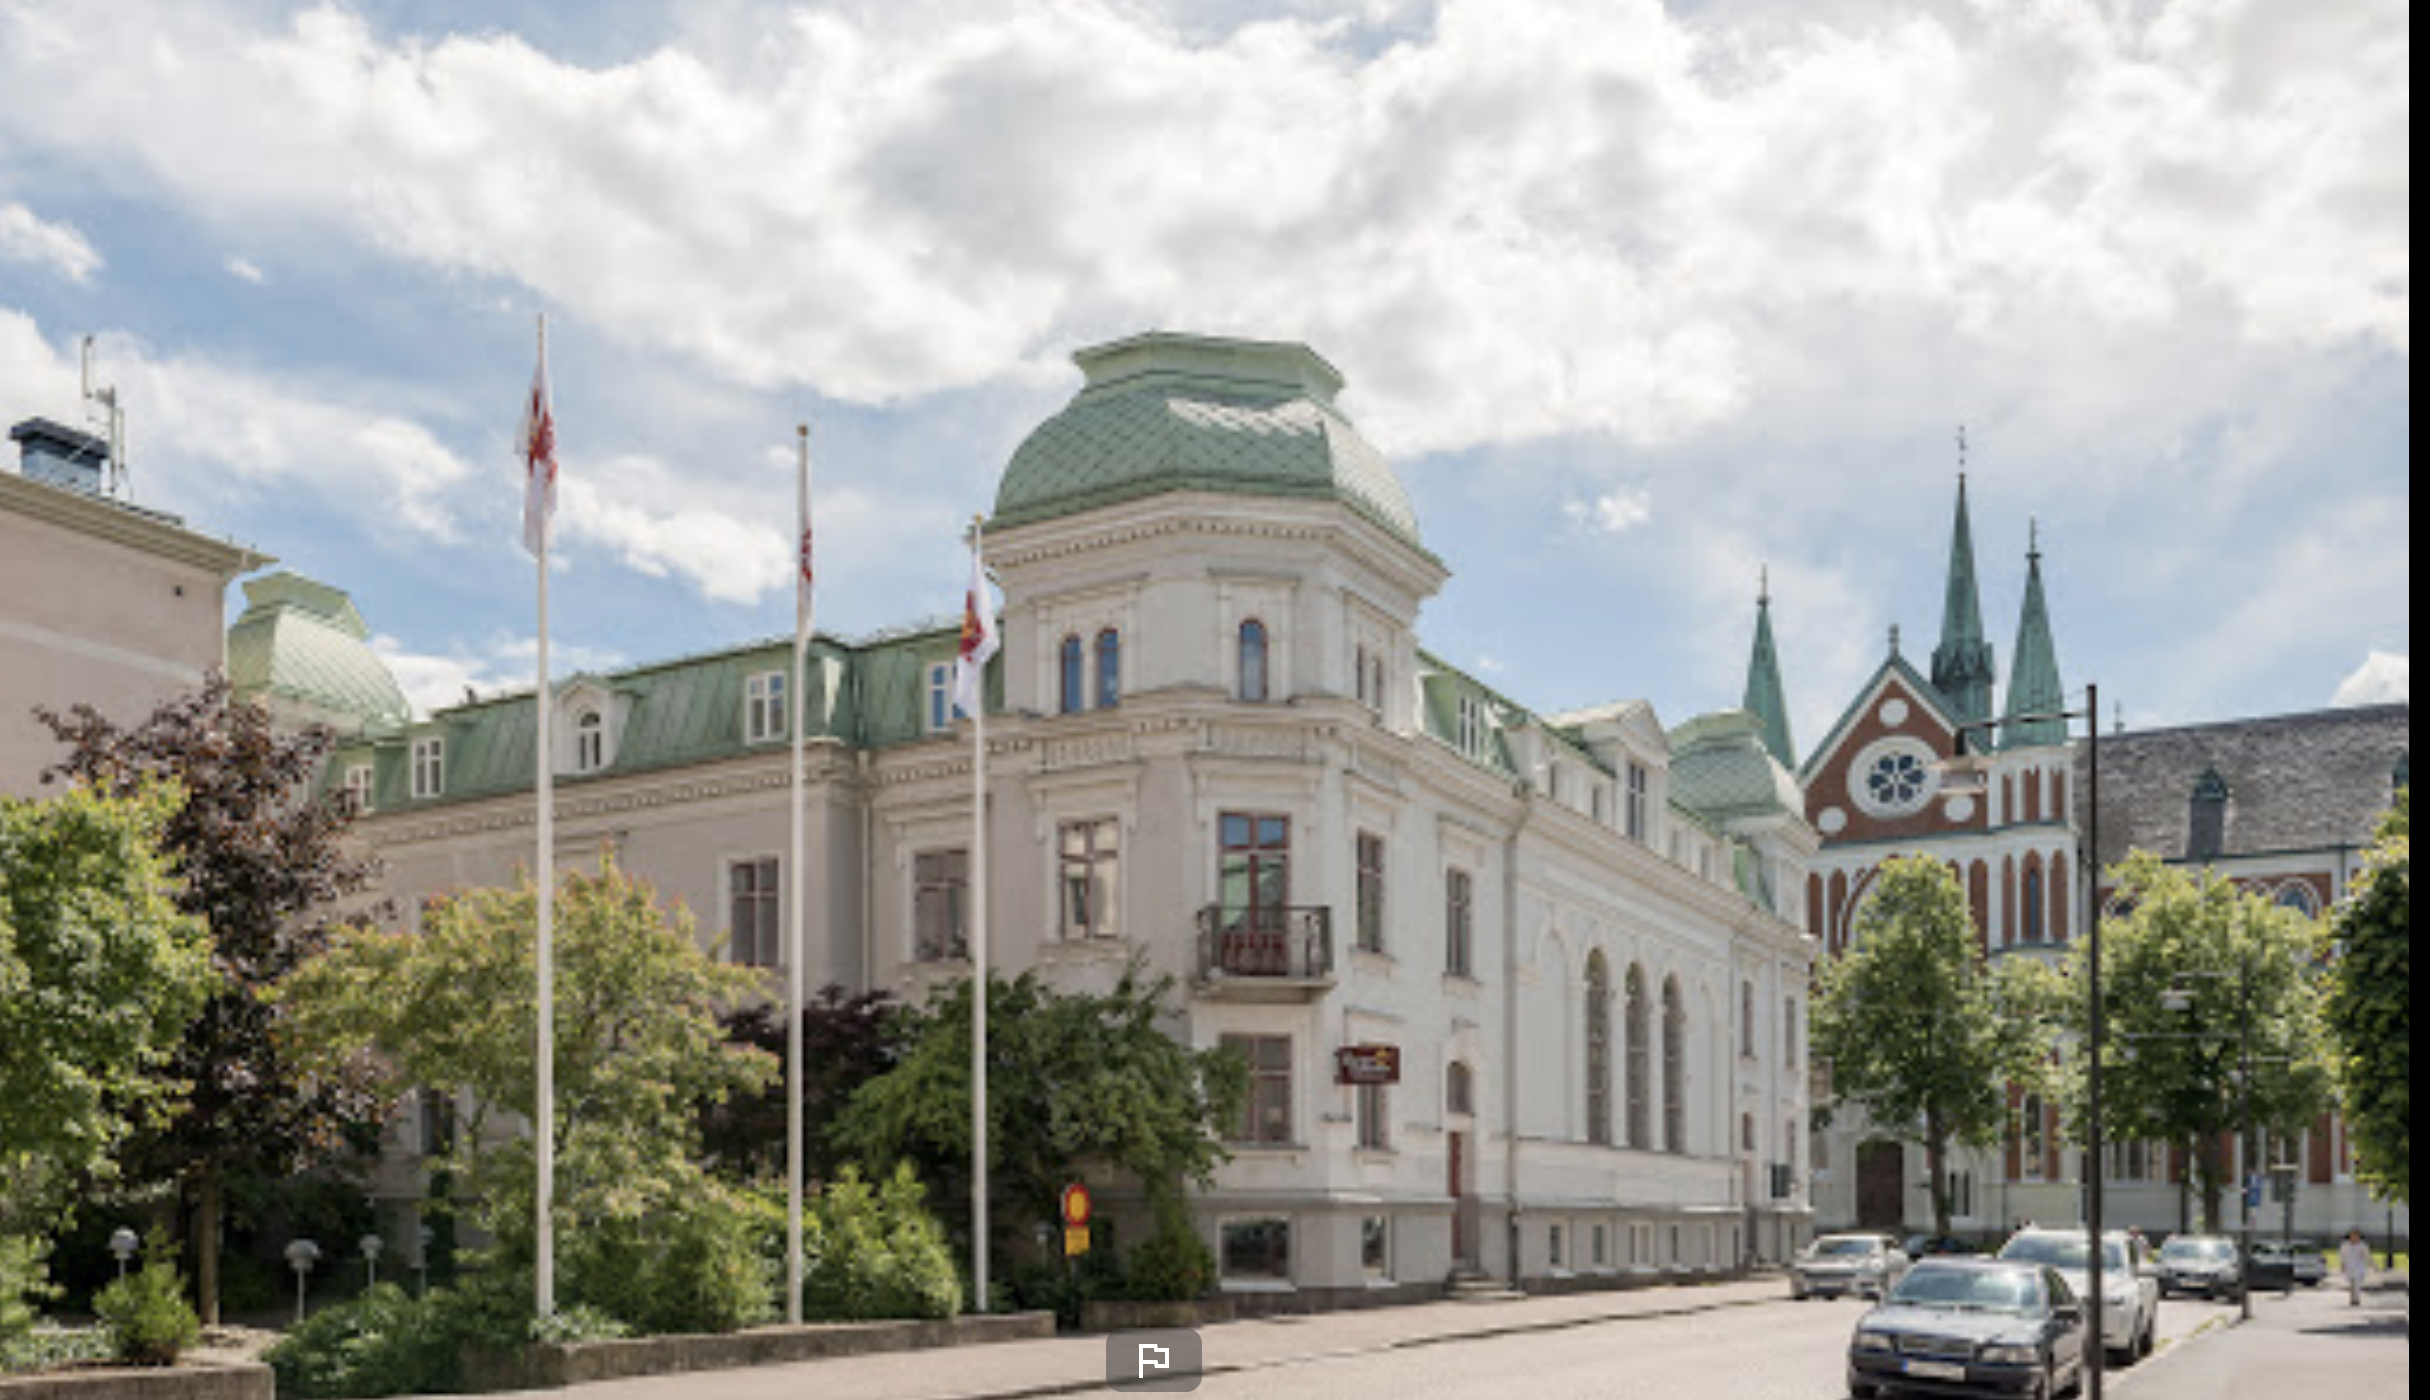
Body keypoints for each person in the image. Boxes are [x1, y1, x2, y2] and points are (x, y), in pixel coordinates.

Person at [2339, 1230, 2373, 1307]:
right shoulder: (2345, 1245)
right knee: (2352, 1284)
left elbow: (2367, 1256)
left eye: (2356, 1236)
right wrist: (2342, 1264)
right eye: (2353, 1236)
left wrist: (2372, 1265)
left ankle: (2356, 1299)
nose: (2354, 1237)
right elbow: (2342, 1255)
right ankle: (2353, 1298)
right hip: (2349, 1267)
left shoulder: (2362, 1245)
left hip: (2359, 1267)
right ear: (2350, 1236)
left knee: (2357, 1283)